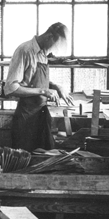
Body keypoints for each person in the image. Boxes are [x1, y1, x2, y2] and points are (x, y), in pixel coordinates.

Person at [5, 22, 74, 151]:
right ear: (49, 36)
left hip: (41, 115)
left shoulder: (42, 54)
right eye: (54, 47)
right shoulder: (25, 50)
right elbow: (11, 88)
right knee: (25, 161)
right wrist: (44, 90)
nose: (53, 51)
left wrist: (56, 86)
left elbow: (34, 79)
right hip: (26, 118)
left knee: (43, 157)